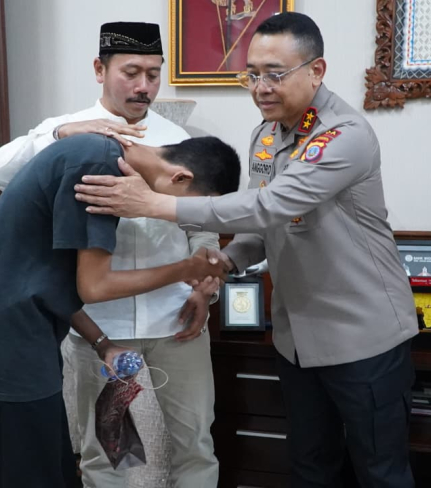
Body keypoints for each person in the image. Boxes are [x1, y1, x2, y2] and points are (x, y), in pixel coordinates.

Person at [74, 12, 420, 488]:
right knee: (310, 467)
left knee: (380, 472)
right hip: (297, 341)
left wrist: (155, 204)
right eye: (252, 74)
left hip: (362, 338)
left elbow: (270, 205)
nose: (260, 88)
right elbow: (264, 226)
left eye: (274, 74)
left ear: (316, 71)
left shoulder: (343, 136)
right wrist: (226, 261)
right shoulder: (267, 136)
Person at [0, 21, 225, 488]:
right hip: (98, 320)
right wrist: (58, 133)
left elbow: (202, 223)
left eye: (153, 74)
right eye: (131, 72)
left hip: (175, 318)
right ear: (100, 70)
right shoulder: (70, 136)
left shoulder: (180, 142)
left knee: (196, 445)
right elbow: (10, 175)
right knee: (104, 452)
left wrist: (206, 287)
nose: (144, 86)